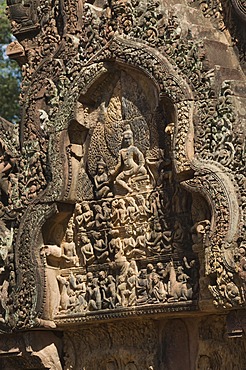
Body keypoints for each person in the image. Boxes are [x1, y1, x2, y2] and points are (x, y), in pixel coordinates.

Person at [110, 125, 147, 193]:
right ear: (123, 140)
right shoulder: (121, 151)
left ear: (132, 139)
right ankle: (128, 189)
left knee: (144, 171)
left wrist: (141, 164)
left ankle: (131, 179)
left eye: (129, 138)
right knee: (117, 179)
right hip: (126, 170)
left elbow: (140, 155)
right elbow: (119, 164)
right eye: (126, 139)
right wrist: (114, 172)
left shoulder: (133, 148)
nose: (127, 141)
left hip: (134, 168)